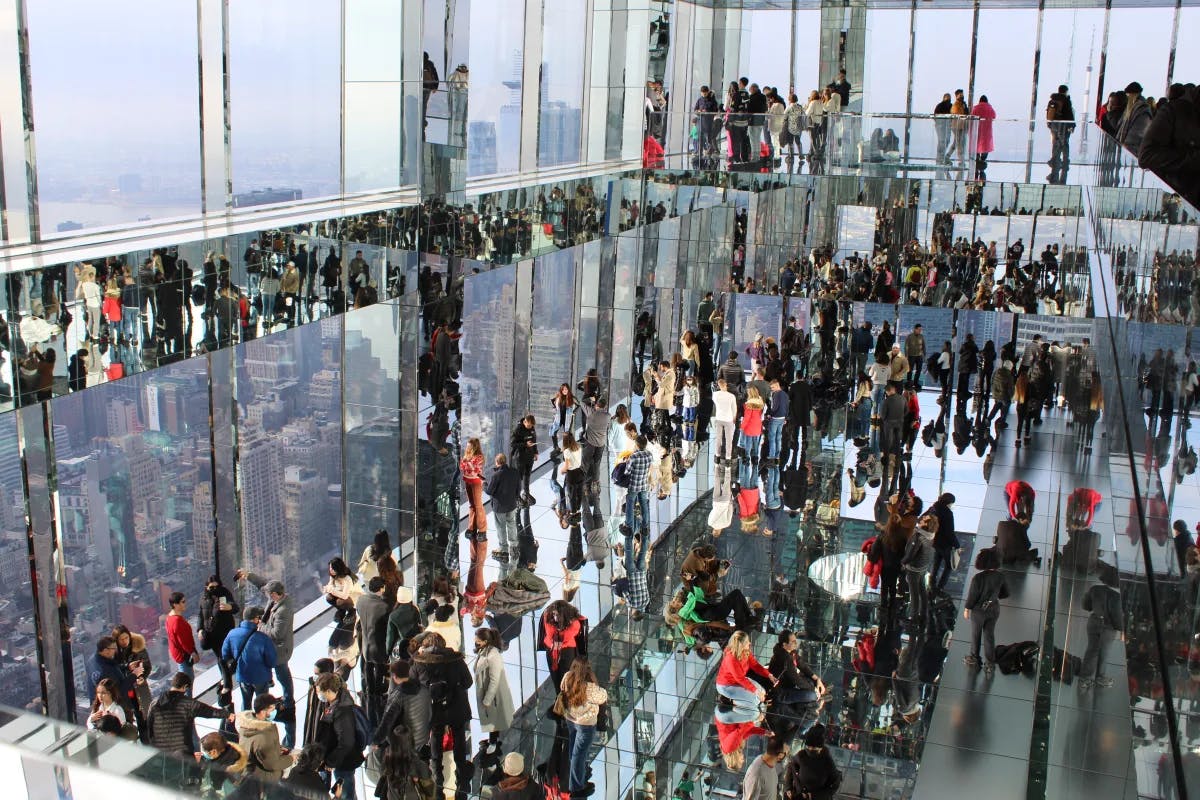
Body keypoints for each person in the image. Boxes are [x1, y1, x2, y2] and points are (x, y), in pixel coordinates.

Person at [236, 571, 296, 747]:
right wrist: (248, 576)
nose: (268, 596)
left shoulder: (284, 610)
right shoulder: (275, 597)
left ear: (277, 595)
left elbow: (277, 634)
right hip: (270, 647)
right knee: (279, 672)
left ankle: (288, 699)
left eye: (270, 595)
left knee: (282, 672)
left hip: (279, 649)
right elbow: (263, 584)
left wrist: (260, 625)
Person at [410, 632, 473, 795]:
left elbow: (412, 689)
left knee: (436, 736)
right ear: (442, 644)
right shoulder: (455, 659)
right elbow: (468, 682)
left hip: (433, 709)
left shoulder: (418, 663)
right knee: (459, 736)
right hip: (456, 706)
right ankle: (462, 778)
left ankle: (438, 778)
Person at [147, 672, 232, 759]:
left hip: (159, 750)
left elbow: (149, 726)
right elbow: (208, 711)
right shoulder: (187, 703)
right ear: (185, 687)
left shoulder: (155, 702)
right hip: (181, 752)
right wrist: (227, 714)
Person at [313, 673, 367, 800]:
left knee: (345, 790)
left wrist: (331, 761)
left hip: (343, 761)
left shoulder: (342, 712)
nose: (318, 695)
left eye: (319, 692)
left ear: (328, 691)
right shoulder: (338, 701)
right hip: (341, 758)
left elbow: (346, 743)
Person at [559, 658, 607, 798]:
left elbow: (562, 689)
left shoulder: (568, 677)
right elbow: (603, 696)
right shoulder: (589, 687)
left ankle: (577, 775)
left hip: (570, 719)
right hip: (586, 724)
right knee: (578, 755)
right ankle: (576, 787)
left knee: (574, 749)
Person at [221, 606, 278, 712]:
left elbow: (225, 655)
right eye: (259, 618)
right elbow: (272, 661)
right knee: (263, 704)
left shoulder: (232, 633)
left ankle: (246, 723)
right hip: (261, 676)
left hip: (243, 675)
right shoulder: (263, 638)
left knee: (246, 702)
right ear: (255, 619)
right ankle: (261, 724)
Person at [963, 548, 1010, 675]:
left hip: (978, 611)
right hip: (994, 609)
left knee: (976, 635)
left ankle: (974, 658)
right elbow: (1005, 594)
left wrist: (967, 609)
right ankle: (990, 663)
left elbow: (972, 596)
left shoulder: (978, 578)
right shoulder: (1000, 576)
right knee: (989, 635)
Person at [356, 576, 395, 726]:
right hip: (378, 644)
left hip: (365, 641)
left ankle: (369, 690)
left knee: (367, 665)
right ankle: (377, 692)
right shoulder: (383, 606)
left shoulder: (361, 600)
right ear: (381, 589)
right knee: (379, 668)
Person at [1080, 568, 1124, 689]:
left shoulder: (1095, 589)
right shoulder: (1116, 597)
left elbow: (1085, 605)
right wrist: (1122, 628)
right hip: (1107, 628)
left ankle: (1086, 678)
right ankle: (1098, 677)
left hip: (1093, 622)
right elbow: (1117, 617)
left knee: (1092, 649)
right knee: (1103, 652)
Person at [236, 694, 295, 782]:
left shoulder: (246, 725)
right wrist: (291, 759)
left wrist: (276, 748)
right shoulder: (265, 736)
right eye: (272, 709)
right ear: (263, 712)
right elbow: (273, 765)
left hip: (250, 771)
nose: (275, 711)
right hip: (264, 779)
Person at [474, 627, 514, 745]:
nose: (475, 641)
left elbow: (494, 681)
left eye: (477, 640)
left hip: (493, 695)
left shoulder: (493, 656)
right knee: (492, 718)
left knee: (494, 719)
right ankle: (493, 741)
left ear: (485, 641)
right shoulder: (484, 651)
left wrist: (487, 700)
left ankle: (493, 743)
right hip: (487, 691)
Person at [199, 576, 241, 691]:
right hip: (211, 634)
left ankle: (226, 684)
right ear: (206, 587)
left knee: (222, 658)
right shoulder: (203, 598)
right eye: (212, 587)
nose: (215, 589)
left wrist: (229, 607)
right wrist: (200, 629)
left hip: (225, 632)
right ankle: (225, 680)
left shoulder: (225, 594)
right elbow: (201, 615)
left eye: (217, 586)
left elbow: (236, 607)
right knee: (221, 658)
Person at [716, 630, 774, 712]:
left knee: (762, 692)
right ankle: (731, 702)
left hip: (739, 680)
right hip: (726, 686)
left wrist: (769, 675)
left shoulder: (746, 651)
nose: (749, 643)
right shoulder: (731, 659)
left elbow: (755, 665)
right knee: (756, 700)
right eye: (747, 642)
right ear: (740, 645)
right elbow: (740, 679)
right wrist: (756, 692)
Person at [539, 599, 588, 690]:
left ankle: (565, 697)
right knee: (555, 678)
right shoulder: (548, 616)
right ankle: (559, 698)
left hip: (567, 650)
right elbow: (550, 635)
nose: (555, 617)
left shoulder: (574, 623)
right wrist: (558, 629)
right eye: (553, 614)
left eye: (557, 615)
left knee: (566, 678)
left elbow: (566, 638)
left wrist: (559, 629)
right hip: (552, 650)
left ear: (564, 614)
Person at [783, 724, 842, 800]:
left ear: (820, 748)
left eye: (813, 748)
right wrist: (788, 788)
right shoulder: (801, 755)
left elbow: (833, 786)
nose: (810, 750)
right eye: (808, 747)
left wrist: (812, 796)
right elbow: (791, 767)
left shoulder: (827, 761)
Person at [901, 515, 936, 626]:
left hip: (914, 568)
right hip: (923, 567)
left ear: (926, 524)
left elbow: (911, 554)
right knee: (922, 591)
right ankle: (924, 616)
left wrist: (902, 563)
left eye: (924, 519)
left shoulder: (918, 536)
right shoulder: (931, 535)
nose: (921, 519)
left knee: (914, 593)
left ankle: (913, 619)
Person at [487, 453, 522, 562]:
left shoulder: (496, 475)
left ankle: (503, 548)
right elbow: (518, 488)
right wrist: (515, 498)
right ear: (505, 461)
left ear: (497, 462)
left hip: (499, 507)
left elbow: (490, 491)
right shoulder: (515, 472)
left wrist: (484, 484)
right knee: (511, 524)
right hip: (511, 505)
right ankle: (514, 546)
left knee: (501, 527)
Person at [198, 731, 249, 797]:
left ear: (213, 751)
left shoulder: (226, 768)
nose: (203, 753)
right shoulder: (222, 755)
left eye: (205, 752)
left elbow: (229, 791)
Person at [928, 494, 959, 591]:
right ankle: (940, 587)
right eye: (951, 503)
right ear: (948, 503)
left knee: (936, 564)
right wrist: (956, 545)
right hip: (945, 544)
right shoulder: (948, 513)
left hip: (935, 541)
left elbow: (923, 518)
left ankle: (931, 584)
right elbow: (949, 532)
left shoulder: (933, 508)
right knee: (949, 566)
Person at [165, 591, 199, 680]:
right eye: (183, 602)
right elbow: (183, 641)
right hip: (184, 655)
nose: (185, 604)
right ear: (175, 605)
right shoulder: (177, 621)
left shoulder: (170, 617)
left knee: (186, 680)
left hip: (179, 654)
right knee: (188, 681)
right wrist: (193, 653)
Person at [461, 437, 488, 542]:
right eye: (467, 445)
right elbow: (463, 467)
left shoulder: (479, 456)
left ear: (474, 446)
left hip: (476, 482)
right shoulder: (467, 455)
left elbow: (476, 470)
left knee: (478, 505)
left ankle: (482, 529)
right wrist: (467, 463)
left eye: (469, 445)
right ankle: (471, 527)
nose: (467, 447)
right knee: (471, 505)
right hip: (467, 481)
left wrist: (468, 463)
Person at [510, 415, 538, 505]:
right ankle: (516, 496)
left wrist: (535, 452)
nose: (530, 427)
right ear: (525, 422)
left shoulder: (532, 428)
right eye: (529, 425)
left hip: (530, 456)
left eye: (531, 426)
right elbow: (513, 444)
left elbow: (534, 440)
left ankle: (526, 493)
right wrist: (525, 444)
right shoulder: (518, 430)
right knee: (519, 477)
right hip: (520, 456)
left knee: (527, 475)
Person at [1118, 81, 1153, 153]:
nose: (1127, 99)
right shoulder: (1132, 108)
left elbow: (1137, 134)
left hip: (1132, 152)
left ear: (1132, 95)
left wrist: (1127, 148)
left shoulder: (1142, 109)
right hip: (1128, 150)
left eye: (1128, 96)